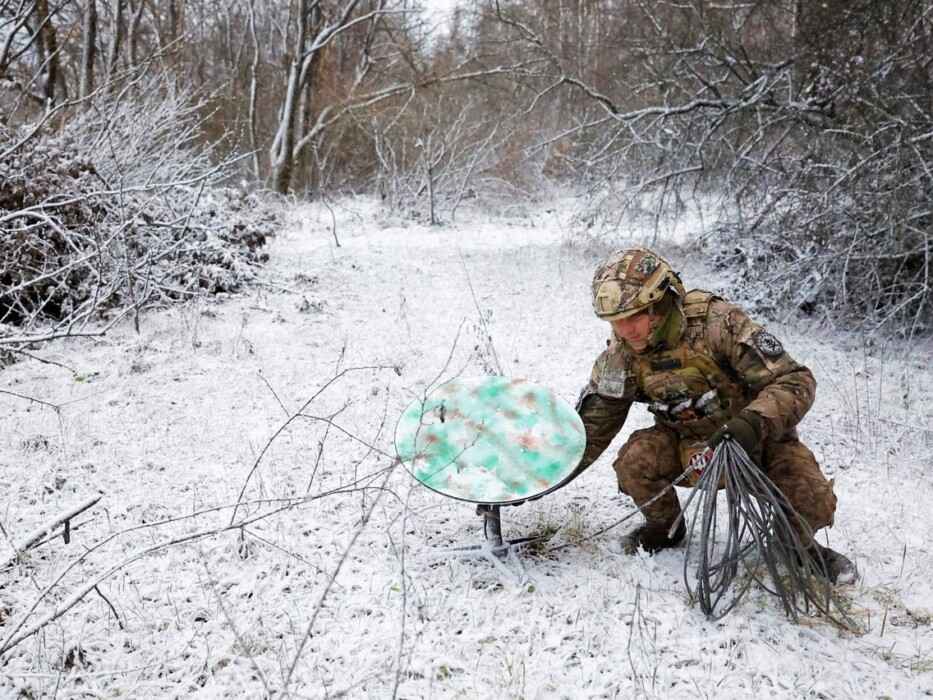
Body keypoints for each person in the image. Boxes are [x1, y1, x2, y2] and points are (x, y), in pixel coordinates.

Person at [574, 247, 857, 583]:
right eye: (615, 322)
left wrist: (751, 424)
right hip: (688, 448)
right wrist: (537, 479)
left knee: (811, 497)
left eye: (633, 317)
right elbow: (593, 427)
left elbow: (795, 380)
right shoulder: (620, 355)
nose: (625, 331)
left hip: (755, 441)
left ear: (660, 304)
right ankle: (665, 529)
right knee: (635, 461)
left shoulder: (717, 324)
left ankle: (797, 547)